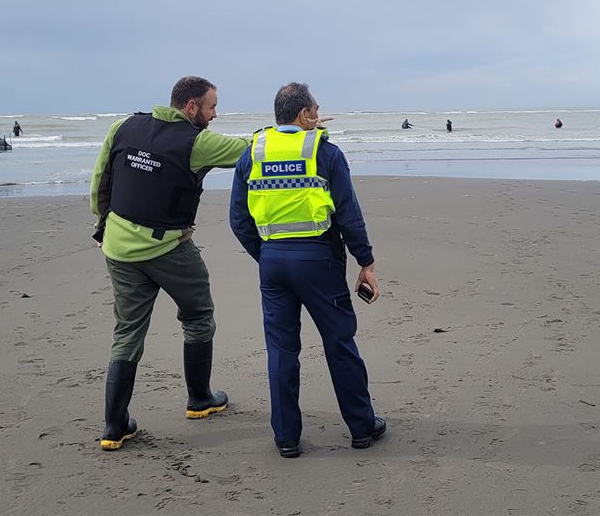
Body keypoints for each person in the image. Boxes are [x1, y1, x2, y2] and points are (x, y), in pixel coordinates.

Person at [89, 76, 251, 451]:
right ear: (191, 107)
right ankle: (199, 399)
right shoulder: (197, 141)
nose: (215, 115)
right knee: (198, 317)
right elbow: (250, 149)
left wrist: (104, 227)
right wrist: (295, 131)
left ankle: (114, 427)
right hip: (168, 249)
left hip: (118, 248)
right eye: (211, 107)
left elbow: (100, 181)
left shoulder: (123, 126)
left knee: (127, 332)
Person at [230, 82, 386, 458]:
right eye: (316, 108)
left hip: (273, 262)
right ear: (304, 114)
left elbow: (238, 219)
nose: (320, 113)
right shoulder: (325, 153)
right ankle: (362, 428)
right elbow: (349, 215)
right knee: (339, 343)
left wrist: (266, 254)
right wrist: (365, 262)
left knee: (282, 350)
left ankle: (286, 438)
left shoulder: (253, 153)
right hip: (319, 261)